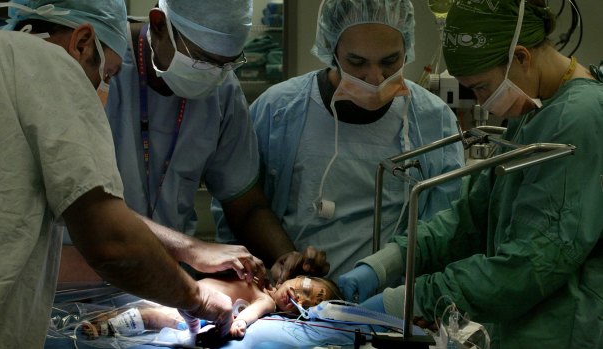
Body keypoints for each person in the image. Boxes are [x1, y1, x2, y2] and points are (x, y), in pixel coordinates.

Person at [0, 0, 265, 346]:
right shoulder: (50, 69)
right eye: (109, 74)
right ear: (82, 42)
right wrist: (196, 297)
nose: (103, 91)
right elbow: (109, 240)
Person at [339, 0, 603, 347]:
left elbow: (532, 262)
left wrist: (419, 297)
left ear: (521, 57)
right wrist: (390, 260)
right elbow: (472, 217)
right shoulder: (536, 111)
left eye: (480, 87)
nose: (480, 102)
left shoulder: (579, 117)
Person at [218, 0, 464, 280]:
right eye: (357, 62)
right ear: (331, 49)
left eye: (390, 61)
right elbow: (240, 207)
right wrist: (285, 263)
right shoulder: (278, 111)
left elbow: (446, 228)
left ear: (407, 47)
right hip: (291, 300)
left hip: (390, 306)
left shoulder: (434, 121)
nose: (375, 78)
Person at [105, 0, 329, 285]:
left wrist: (284, 258)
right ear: (159, 25)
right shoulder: (100, 65)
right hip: (83, 277)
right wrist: (194, 249)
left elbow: (245, 205)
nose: (214, 73)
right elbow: (93, 208)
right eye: (201, 59)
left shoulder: (221, 91)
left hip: (169, 283)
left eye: (227, 63)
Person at [81, 275, 341, 338]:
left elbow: (254, 311)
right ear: (296, 275)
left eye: (304, 305)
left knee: (150, 316)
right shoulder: (262, 279)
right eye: (306, 289)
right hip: (187, 290)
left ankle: (102, 330)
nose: (300, 298)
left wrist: (240, 323)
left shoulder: (267, 301)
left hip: (192, 310)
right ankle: (98, 320)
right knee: (135, 305)